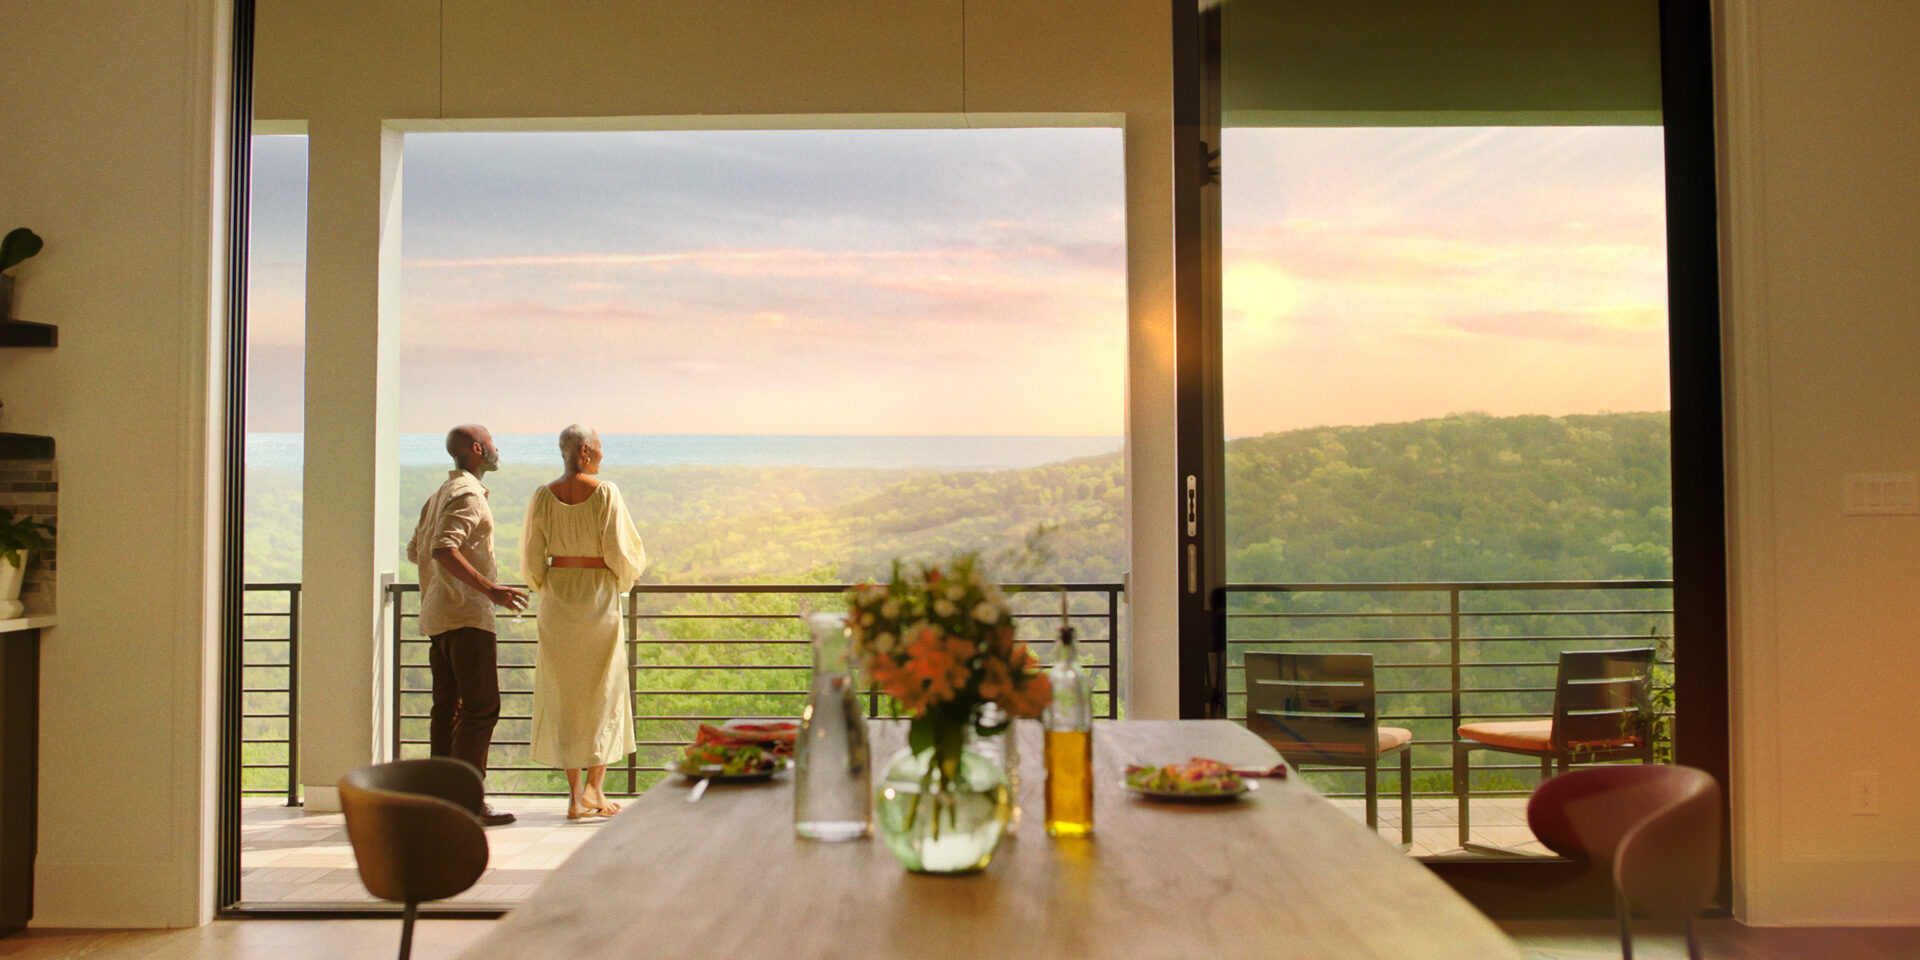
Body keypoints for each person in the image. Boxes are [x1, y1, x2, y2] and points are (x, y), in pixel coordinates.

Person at [522, 424, 647, 820]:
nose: (603, 455)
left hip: (558, 600)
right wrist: (628, 575)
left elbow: (531, 558)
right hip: (597, 598)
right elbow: (619, 551)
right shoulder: (606, 493)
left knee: (565, 695)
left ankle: (576, 795)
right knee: (603, 691)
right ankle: (595, 788)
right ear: (585, 453)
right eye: (599, 448)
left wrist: (546, 585)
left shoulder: (542, 497)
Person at [406, 423, 528, 826]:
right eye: (493, 442)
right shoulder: (469, 493)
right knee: (481, 709)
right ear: (477, 449)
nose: (497, 448)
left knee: (447, 709)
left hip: (438, 617)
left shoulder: (438, 494)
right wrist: (490, 588)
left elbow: (416, 550)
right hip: (466, 617)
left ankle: (443, 797)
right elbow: (443, 548)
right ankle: (468, 800)